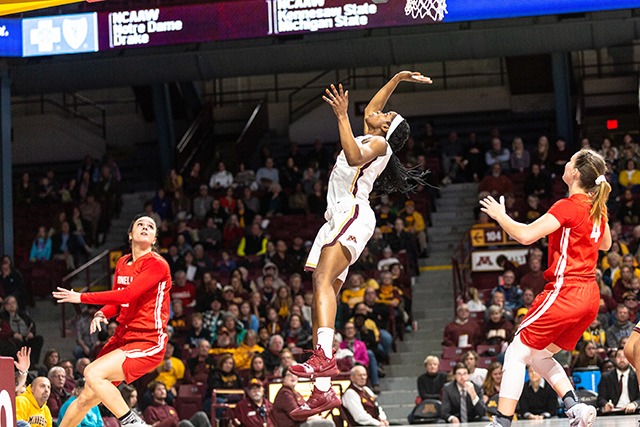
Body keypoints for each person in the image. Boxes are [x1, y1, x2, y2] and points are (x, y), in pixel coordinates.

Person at [291, 71, 431, 419]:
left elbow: (353, 157)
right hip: (336, 217)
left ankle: (323, 358)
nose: (378, 112)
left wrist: (341, 116)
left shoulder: (379, 146)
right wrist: (397, 78)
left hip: (352, 213)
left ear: (387, 128)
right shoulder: (376, 133)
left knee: (323, 282)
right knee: (320, 289)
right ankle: (322, 391)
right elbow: (371, 106)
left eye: (385, 115)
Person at [480, 148, 612, 427]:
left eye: (569, 161)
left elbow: (526, 236)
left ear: (575, 173)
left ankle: (502, 421)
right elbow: (606, 245)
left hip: (566, 291)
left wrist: (500, 216)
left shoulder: (568, 205)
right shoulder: (596, 207)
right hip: (590, 296)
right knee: (539, 354)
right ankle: (575, 407)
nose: (565, 163)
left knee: (516, 352)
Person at [52, 214, 172, 427]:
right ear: (130, 234)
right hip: (123, 337)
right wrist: (102, 313)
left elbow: (127, 295)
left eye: (151, 226)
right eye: (140, 224)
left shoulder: (157, 264)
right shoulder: (123, 263)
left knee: (91, 372)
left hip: (148, 340)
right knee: (86, 398)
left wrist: (81, 297)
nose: (145, 227)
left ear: (154, 239)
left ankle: (132, 422)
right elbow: (117, 301)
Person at [143, 381, 212, 427]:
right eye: (159, 389)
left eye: (164, 389)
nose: (162, 391)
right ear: (152, 393)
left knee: (200, 415)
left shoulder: (171, 408)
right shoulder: (150, 409)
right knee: (184, 423)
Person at [598, 348, 640, 414]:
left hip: (633, 412)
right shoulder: (606, 376)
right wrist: (606, 404)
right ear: (615, 359)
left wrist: (634, 404)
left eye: (625, 357)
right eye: (618, 356)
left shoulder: (637, 376)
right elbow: (601, 398)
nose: (622, 359)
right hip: (613, 412)